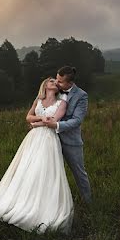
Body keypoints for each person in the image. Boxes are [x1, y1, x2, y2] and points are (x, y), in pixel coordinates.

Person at [0, 77, 74, 233]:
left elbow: (53, 120)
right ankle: (20, 201)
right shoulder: (38, 100)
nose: (55, 83)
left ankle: (41, 207)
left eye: (56, 82)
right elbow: (28, 117)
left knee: (43, 170)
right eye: (52, 81)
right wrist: (39, 119)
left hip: (48, 139)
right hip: (32, 140)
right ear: (45, 85)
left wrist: (35, 124)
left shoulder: (62, 102)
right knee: (26, 169)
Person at [39, 65, 92, 204]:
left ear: (70, 83)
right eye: (56, 79)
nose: (56, 83)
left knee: (79, 173)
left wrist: (56, 125)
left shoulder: (81, 96)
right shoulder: (55, 90)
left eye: (60, 81)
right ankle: (53, 204)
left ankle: (88, 202)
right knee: (51, 174)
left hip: (70, 142)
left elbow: (77, 120)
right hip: (50, 140)